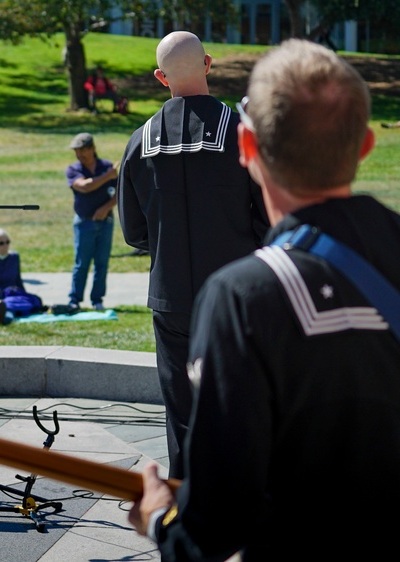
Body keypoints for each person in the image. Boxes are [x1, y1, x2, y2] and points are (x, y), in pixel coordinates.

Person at [129, 39, 400, 559]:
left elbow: (213, 529)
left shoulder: (245, 299)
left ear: (249, 149)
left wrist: (158, 521)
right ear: (366, 144)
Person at [117, 31, 269, 480]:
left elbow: (133, 232)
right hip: (235, 296)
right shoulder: (241, 133)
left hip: (170, 298)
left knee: (182, 412)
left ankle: (188, 513)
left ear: (160, 77)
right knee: (241, 404)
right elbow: (268, 217)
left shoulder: (139, 140)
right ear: (208, 63)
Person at [65, 132, 117, 311]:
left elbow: (120, 193)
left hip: (106, 222)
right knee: (82, 263)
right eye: (77, 151)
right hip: (84, 222)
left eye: (82, 150)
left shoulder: (106, 166)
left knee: (102, 263)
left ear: (92, 148)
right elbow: (84, 187)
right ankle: (75, 300)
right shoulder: (74, 169)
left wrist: (105, 209)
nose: (79, 155)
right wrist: (107, 176)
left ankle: (97, 300)